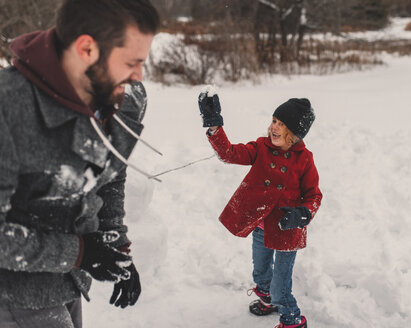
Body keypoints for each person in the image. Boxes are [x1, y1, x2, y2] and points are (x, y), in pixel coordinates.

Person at [0, 0, 160, 327]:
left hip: (66, 283)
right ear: (86, 48)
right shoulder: (10, 110)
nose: (139, 75)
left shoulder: (109, 97)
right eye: (132, 61)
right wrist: (81, 253)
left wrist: (117, 251)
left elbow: (110, 177)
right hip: (14, 295)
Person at [198, 88, 323, 328]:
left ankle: (292, 319)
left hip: (288, 230)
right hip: (261, 226)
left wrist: (302, 213)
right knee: (261, 270)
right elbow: (229, 153)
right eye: (274, 121)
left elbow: (313, 195)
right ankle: (267, 299)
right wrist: (214, 125)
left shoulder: (304, 159)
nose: (273, 127)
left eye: (281, 124)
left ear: (294, 133)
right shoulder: (262, 147)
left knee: (280, 285)